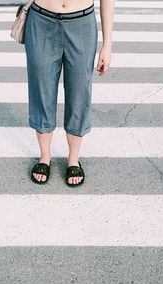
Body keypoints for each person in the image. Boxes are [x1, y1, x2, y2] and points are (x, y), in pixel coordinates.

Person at [24, 0, 114, 186]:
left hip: (81, 23)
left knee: (80, 91)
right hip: (42, 20)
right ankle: (45, 156)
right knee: (41, 88)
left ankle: (73, 159)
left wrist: (107, 45)